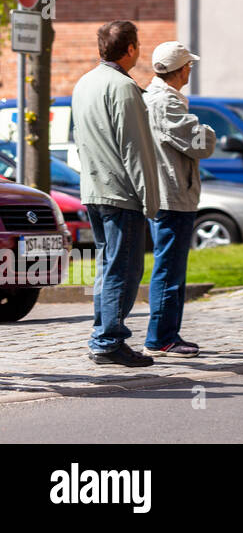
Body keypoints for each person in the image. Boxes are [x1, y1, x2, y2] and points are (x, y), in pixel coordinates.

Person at [72, 20, 160, 367]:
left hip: (94, 188)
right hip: (121, 193)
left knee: (108, 267)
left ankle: (104, 334)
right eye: (138, 44)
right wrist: (151, 200)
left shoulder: (85, 83)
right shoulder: (123, 88)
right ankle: (108, 340)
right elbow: (135, 149)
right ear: (130, 49)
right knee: (124, 269)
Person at [142, 42, 215, 358]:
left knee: (170, 265)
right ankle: (161, 338)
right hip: (171, 195)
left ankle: (166, 334)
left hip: (169, 192)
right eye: (189, 66)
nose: (190, 71)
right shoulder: (165, 103)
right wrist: (208, 131)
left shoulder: (155, 98)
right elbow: (201, 142)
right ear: (182, 69)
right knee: (169, 267)